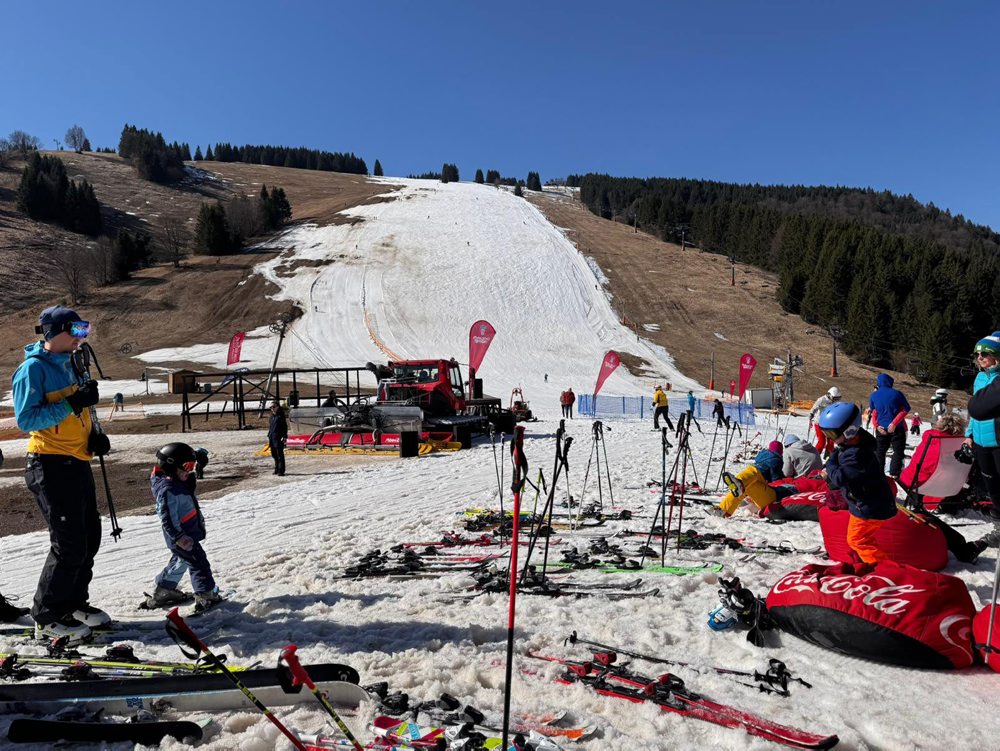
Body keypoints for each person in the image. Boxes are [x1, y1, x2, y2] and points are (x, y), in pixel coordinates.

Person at [12, 305, 108, 642]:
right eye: (77, 330)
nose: (83, 336)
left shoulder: (73, 363)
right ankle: (47, 615)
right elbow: (26, 419)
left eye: (85, 329)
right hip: (49, 463)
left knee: (89, 537)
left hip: (76, 459)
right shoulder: (33, 369)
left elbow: (80, 413)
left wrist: (95, 435)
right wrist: (72, 403)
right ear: (56, 331)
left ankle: (72, 603)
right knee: (68, 544)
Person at [819, 402, 897, 564]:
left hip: (869, 507)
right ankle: (870, 563)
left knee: (858, 540)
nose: (830, 438)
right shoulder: (856, 442)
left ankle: (884, 569)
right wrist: (835, 456)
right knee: (860, 538)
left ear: (850, 431)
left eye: (832, 434)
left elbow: (839, 478)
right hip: (869, 502)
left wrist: (830, 465)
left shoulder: (856, 455)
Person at [145, 443, 220, 611]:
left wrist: (195, 455)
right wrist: (179, 536)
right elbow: (167, 518)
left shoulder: (175, 479)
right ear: (171, 467)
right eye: (187, 466)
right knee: (198, 562)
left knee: (181, 561)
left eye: (192, 466)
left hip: (185, 534)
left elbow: (176, 460)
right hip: (181, 535)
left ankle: (164, 590)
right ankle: (206, 594)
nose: (190, 470)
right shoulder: (168, 490)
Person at [965, 331, 1000, 547]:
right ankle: (999, 527)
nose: (980, 357)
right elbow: (974, 411)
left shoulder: (998, 379)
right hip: (980, 442)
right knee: (992, 487)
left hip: (998, 442)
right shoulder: (979, 378)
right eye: (977, 354)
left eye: (985, 353)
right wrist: (969, 434)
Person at [868, 373, 911, 479]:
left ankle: (878, 474)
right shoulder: (897, 393)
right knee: (898, 451)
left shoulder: (873, 395)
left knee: (880, 452)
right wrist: (894, 423)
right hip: (897, 428)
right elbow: (906, 409)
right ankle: (894, 473)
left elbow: (874, 411)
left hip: (881, 428)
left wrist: (876, 426)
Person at [808, 386, 841, 458]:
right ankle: (814, 457)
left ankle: (829, 456)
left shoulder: (835, 402)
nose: (836, 400)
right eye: (835, 398)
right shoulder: (822, 400)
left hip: (829, 424)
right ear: (830, 395)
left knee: (831, 441)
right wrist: (811, 414)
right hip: (819, 423)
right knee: (822, 442)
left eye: (837, 398)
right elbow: (814, 408)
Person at [268, 402, 288, 476]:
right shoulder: (272, 417)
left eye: (273, 407)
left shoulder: (280, 416)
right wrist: (269, 434)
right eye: (271, 407)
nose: (272, 409)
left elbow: (284, 427)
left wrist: (284, 437)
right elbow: (271, 427)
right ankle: (276, 468)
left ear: (277, 407)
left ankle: (281, 470)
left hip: (279, 437)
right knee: (274, 454)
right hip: (272, 437)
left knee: (279, 454)